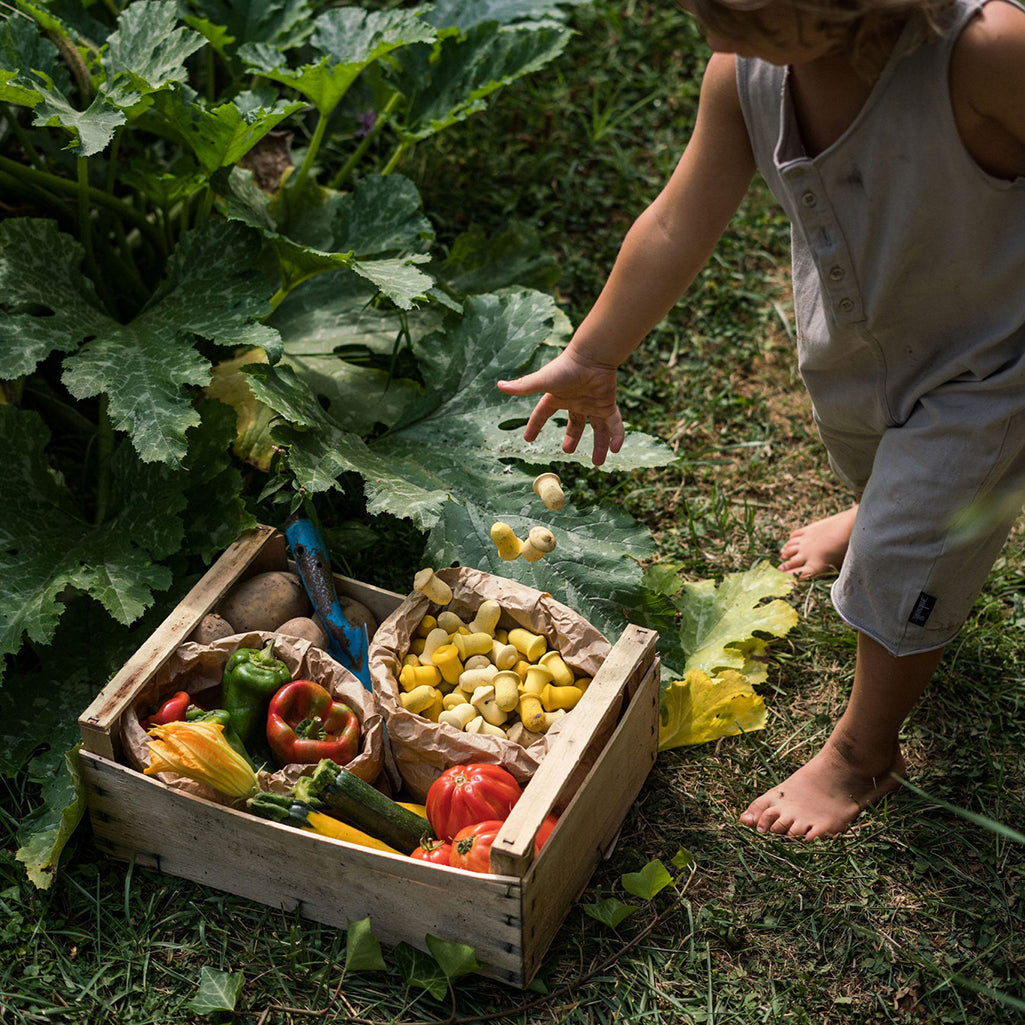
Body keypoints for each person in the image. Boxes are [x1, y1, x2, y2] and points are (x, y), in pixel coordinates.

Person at [497, 0, 1025, 839]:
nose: (701, 21)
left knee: (907, 551)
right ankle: (880, 504)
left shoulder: (984, 54)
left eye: (732, 10)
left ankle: (862, 753)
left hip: (994, 366)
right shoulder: (745, 70)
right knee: (879, 467)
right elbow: (677, 220)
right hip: (861, 352)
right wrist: (593, 353)